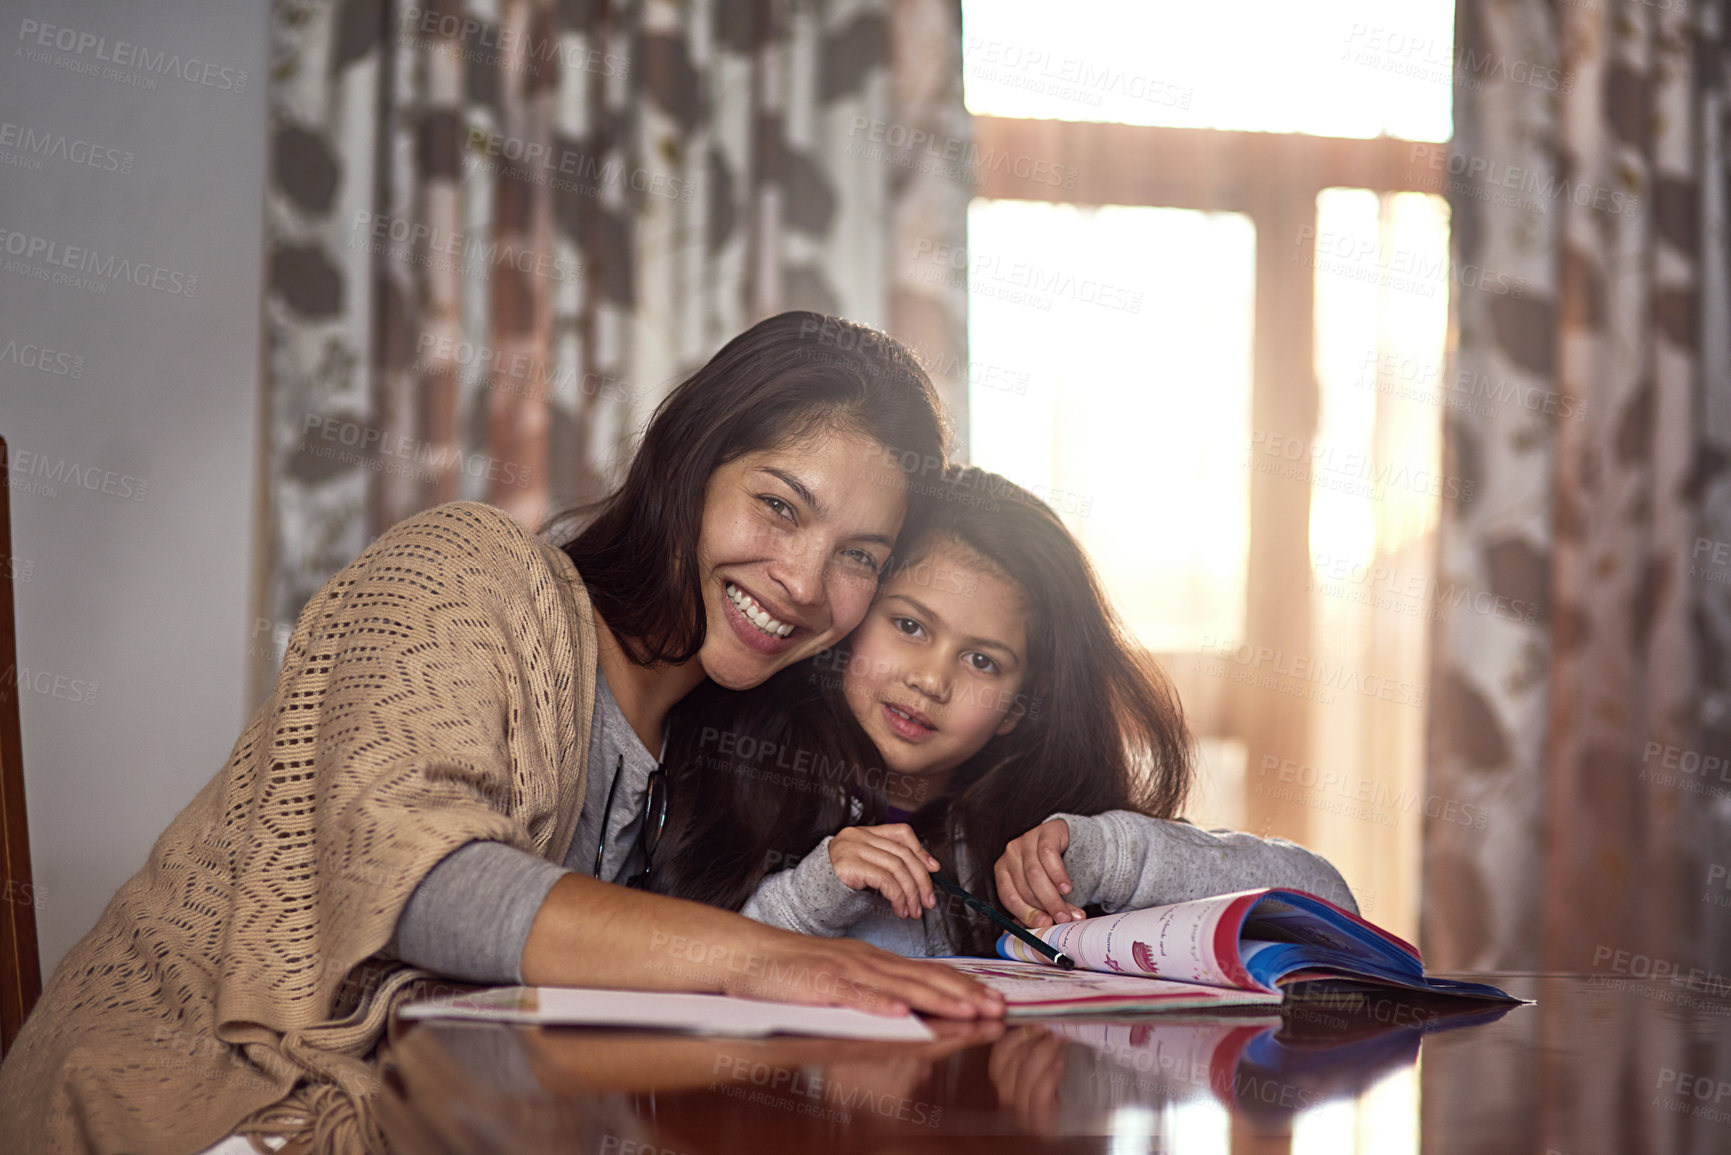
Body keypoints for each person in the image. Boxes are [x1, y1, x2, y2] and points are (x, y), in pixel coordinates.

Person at [0, 313, 1003, 1155]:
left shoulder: (728, 750)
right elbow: (418, 885)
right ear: (692, 466)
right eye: (778, 507)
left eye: (857, 557)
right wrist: (754, 959)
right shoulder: (467, 571)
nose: (801, 580)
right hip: (200, 1107)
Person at [650, 465, 1358, 957]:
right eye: (910, 626)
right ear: (855, 609)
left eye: (982, 660)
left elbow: (1329, 906)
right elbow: (678, 971)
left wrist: (1110, 854)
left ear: (1022, 706)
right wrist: (812, 892)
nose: (930, 679)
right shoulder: (743, 779)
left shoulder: (1047, 840)